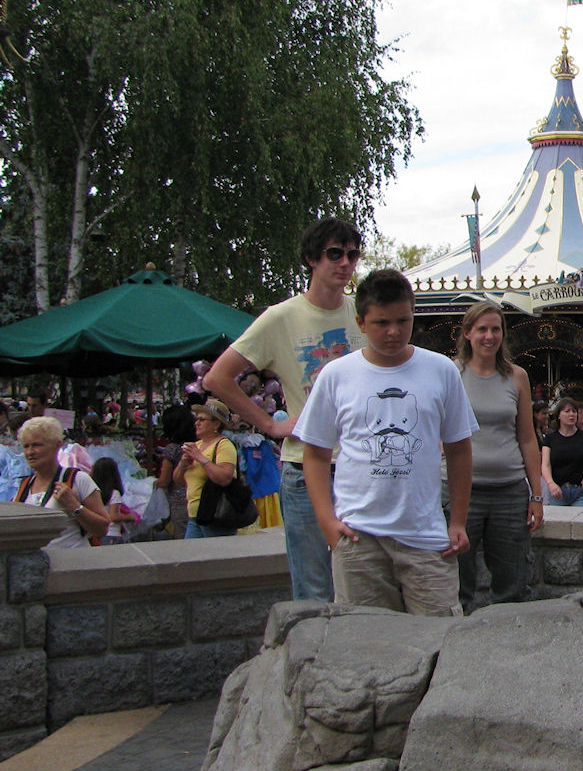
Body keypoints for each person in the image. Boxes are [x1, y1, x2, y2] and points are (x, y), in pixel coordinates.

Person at [297, 269, 475, 616]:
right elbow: (315, 454)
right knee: (365, 638)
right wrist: (327, 521)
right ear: (361, 322)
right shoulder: (336, 376)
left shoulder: (442, 371)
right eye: (382, 323)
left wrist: (457, 521)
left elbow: (459, 450)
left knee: (438, 634)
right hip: (358, 538)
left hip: (425, 537)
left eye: (402, 321)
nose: (393, 332)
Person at [204, 217, 366, 600]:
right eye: (335, 254)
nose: (345, 263)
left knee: (364, 584)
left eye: (353, 254)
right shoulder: (281, 317)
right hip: (306, 467)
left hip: (363, 467)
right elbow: (218, 378)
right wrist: (271, 425)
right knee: (314, 591)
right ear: (312, 259)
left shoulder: (363, 312)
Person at [454, 299, 543, 605]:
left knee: (512, 581)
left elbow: (527, 437)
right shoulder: (451, 373)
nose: (489, 336)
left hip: (509, 490)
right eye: (482, 329)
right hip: (461, 491)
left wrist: (536, 495)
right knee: (457, 580)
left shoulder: (517, 377)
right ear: (468, 333)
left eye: (495, 329)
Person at [13, 416, 108, 547]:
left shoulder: (78, 479)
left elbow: (102, 529)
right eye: (26, 446)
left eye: (36, 445)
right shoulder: (24, 486)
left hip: (73, 559)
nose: (30, 452)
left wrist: (74, 506)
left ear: (57, 445)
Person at [178, 399, 240, 539]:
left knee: (216, 552)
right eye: (196, 419)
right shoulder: (197, 446)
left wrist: (201, 459)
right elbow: (178, 481)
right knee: (191, 552)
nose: (197, 423)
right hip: (195, 516)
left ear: (216, 424)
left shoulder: (224, 445)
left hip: (216, 514)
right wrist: (182, 465)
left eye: (202, 419)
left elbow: (225, 478)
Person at [542, 399, 583, 506]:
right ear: (559, 415)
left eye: (574, 411)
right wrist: (550, 483)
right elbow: (545, 464)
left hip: (581, 491)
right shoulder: (550, 438)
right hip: (558, 491)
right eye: (567, 411)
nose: (571, 414)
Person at [157, 405, 198, 539]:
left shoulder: (172, 449)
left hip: (180, 502)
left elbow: (164, 481)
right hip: (197, 497)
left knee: (183, 540)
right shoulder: (198, 446)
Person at [91, 457, 136, 544]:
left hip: (96, 534)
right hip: (112, 534)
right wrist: (130, 516)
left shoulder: (92, 492)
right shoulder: (114, 493)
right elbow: (113, 517)